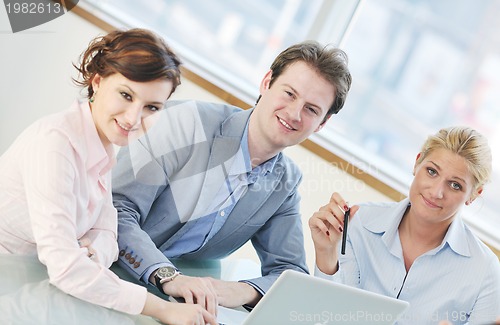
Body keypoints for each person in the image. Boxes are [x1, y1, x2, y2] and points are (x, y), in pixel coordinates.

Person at [112, 40, 352, 314]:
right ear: (266, 82)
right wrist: (169, 277)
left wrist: (238, 290)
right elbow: (117, 210)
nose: (294, 113)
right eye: (289, 94)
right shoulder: (184, 121)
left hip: (174, 305)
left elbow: (290, 275)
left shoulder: (284, 183)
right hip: (102, 267)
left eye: (311, 109)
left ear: (321, 124)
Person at [0, 28, 216, 325]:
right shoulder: (56, 143)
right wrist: (164, 309)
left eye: (151, 107)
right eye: (126, 95)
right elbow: (66, 268)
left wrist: (95, 252)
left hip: (33, 285)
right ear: (98, 81)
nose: (133, 118)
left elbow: (107, 233)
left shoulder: (102, 147)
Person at [309, 126, 500, 325]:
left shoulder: (484, 271)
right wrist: (326, 254)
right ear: (417, 163)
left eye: (455, 185)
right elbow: (330, 315)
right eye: (432, 171)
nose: (436, 192)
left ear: (473, 195)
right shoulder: (359, 222)